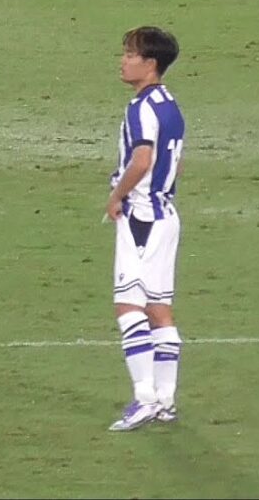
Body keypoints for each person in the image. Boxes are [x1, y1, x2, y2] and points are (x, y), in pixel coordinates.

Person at [104, 25, 185, 431]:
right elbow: (176, 162)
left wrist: (116, 196)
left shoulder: (141, 108)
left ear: (150, 64)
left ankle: (144, 398)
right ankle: (166, 401)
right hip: (166, 215)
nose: (123, 60)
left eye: (130, 54)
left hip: (141, 219)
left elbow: (141, 160)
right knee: (159, 309)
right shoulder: (170, 104)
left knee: (128, 307)